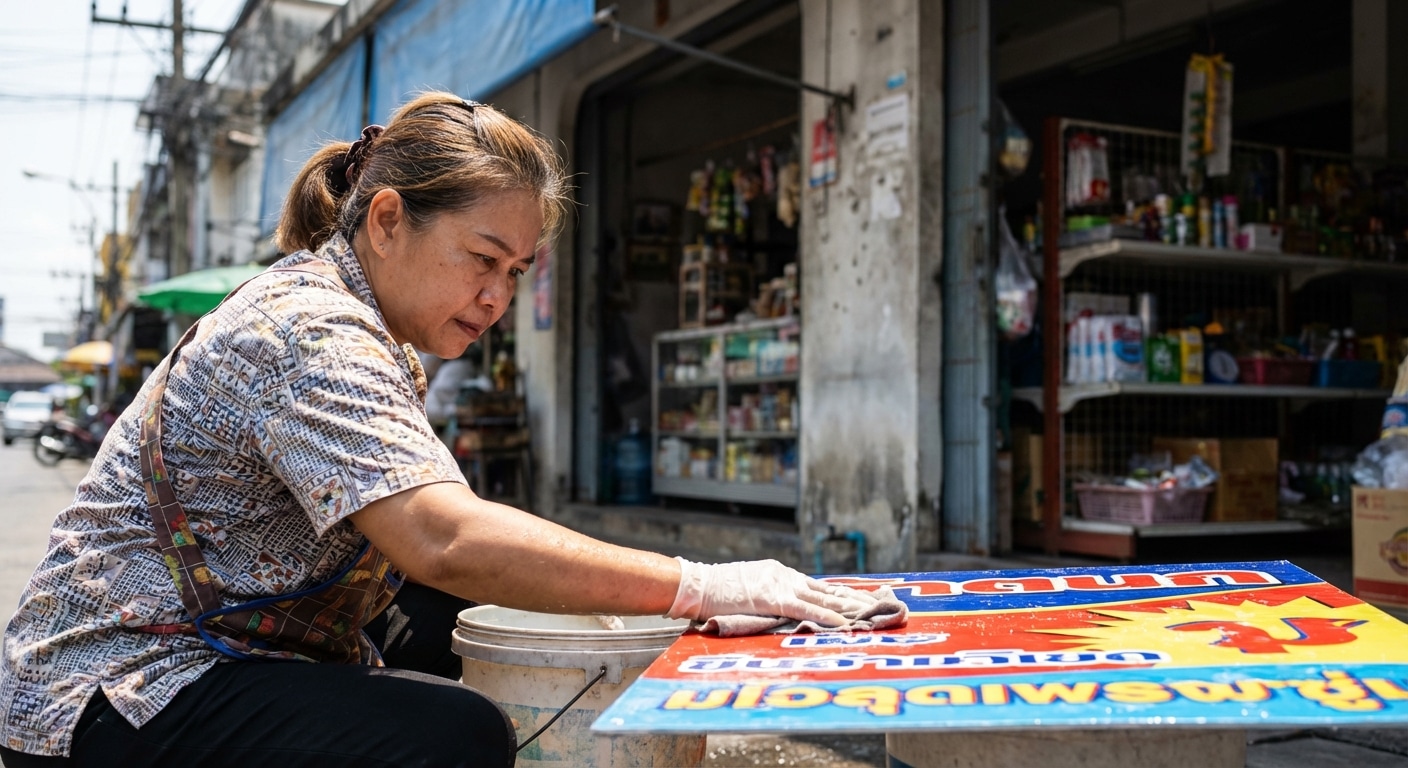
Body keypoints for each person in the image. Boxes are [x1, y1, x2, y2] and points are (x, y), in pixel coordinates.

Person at [0, 92, 882, 767]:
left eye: (518, 271)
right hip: (117, 685)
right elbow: (443, 535)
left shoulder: (371, 330)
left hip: (225, 644)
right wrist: (703, 582)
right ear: (387, 221)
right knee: (453, 734)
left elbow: (447, 550)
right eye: (483, 261)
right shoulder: (308, 329)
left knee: (478, 616)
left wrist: (658, 610)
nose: (499, 297)